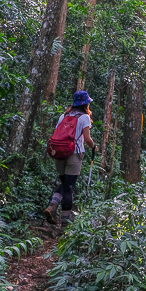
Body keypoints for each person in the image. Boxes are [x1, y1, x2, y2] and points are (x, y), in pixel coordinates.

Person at [44, 90, 97, 226]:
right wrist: (94, 147)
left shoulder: (64, 116)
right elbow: (87, 139)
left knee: (64, 183)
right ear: (85, 104)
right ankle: (65, 223)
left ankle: (52, 206)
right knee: (68, 188)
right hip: (74, 155)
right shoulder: (84, 117)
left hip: (59, 153)